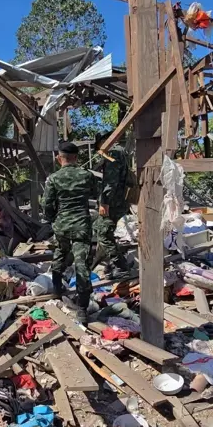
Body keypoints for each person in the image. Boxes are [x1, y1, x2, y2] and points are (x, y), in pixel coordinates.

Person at [42, 141, 95, 321]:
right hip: (81, 224)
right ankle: (82, 309)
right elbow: (96, 193)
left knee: (60, 252)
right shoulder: (86, 175)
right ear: (76, 157)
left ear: (59, 158)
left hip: (62, 225)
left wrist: (51, 219)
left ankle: (57, 289)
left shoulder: (54, 178)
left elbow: (47, 204)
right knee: (82, 263)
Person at [94, 132, 132, 279]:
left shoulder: (113, 153)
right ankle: (113, 263)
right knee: (105, 233)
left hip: (112, 203)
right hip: (118, 201)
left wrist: (104, 202)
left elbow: (111, 181)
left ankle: (121, 266)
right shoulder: (120, 151)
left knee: (103, 234)